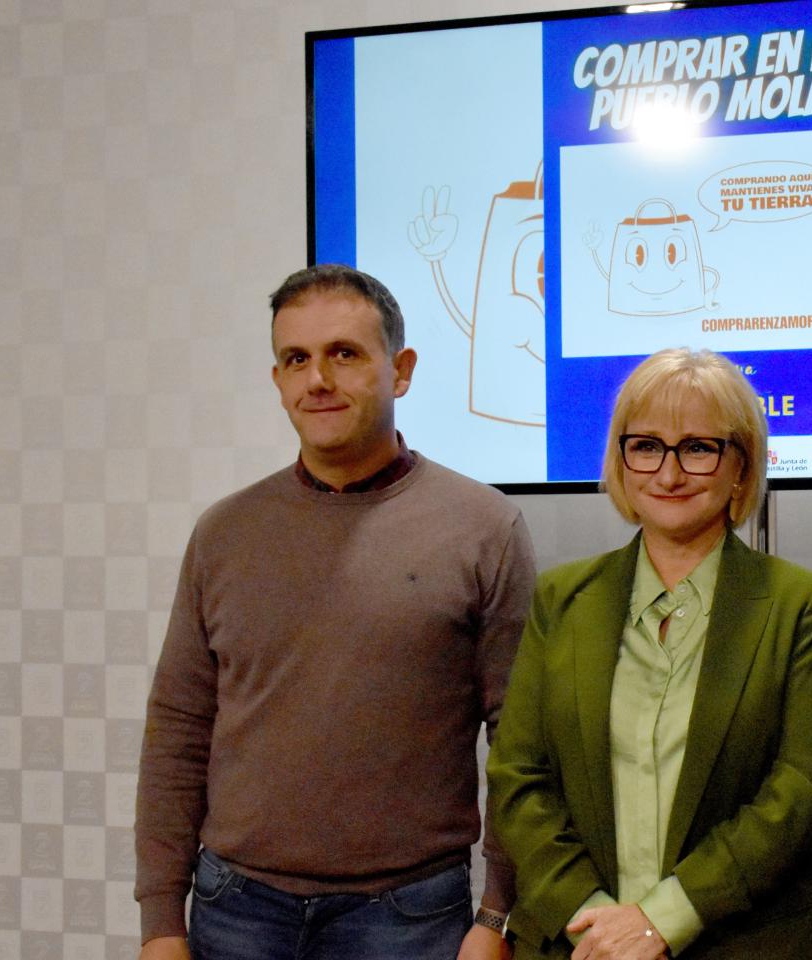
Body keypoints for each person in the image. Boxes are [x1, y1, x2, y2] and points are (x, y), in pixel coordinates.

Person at [134, 264, 535, 960]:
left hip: (408, 918)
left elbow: (522, 742)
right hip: (234, 910)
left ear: (400, 370)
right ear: (278, 380)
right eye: (297, 359)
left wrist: (498, 913)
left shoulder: (484, 528)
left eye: (344, 354)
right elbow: (178, 729)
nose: (317, 379)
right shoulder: (223, 533)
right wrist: (162, 922)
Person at [487, 348, 812, 959]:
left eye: (698, 448)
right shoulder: (561, 597)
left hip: (736, 941)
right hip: (577, 945)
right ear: (621, 461)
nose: (670, 473)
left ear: (740, 468)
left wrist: (662, 920)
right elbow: (517, 778)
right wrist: (595, 921)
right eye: (647, 445)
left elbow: (798, 794)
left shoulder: (798, 605)